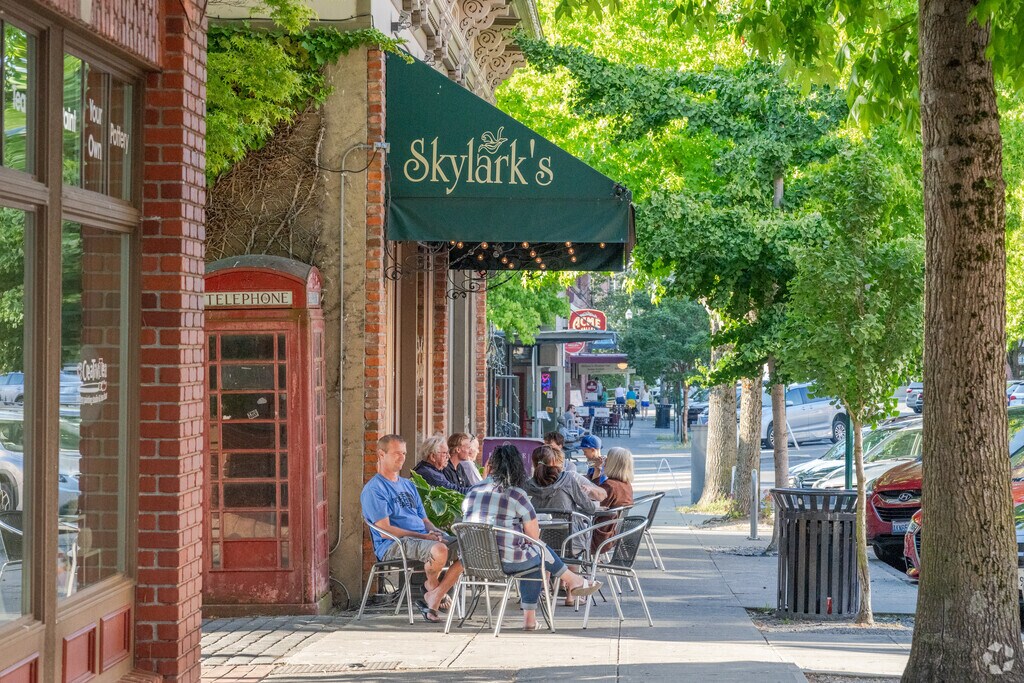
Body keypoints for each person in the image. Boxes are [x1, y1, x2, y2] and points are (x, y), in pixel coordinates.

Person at [461, 444, 601, 630]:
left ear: (489, 466)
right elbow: (534, 537)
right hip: (508, 561)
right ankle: (572, 580)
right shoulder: (516, 495)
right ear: (518, 468)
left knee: (534, 556)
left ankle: (532, 618)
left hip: (474, 561)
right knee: (537, 551)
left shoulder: (472, 492)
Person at [360, 434, 463, 623]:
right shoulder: (374, 489)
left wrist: (435, 532)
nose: (402, 458)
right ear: (381, 455)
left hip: (422, 539)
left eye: (404, 453)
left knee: (468, 549)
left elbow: (424, 520)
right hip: (393, 545)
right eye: (396, 453)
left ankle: (435, 594)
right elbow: (385, 531)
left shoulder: (408, 485)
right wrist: (425, 538)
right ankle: (432, 588)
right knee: (439, 550)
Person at [523, 445, 599, 556]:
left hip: (538, 545)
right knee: (572, 563)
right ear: (555, 461)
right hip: (570, 543)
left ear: (534, 463)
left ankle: (546, 572)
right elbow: (590, 508)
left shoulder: (527, 486)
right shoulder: (567, 479)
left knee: (546, 560)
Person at [591, 447, 636, 555]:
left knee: (562, 534)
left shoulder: (610, 486)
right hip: (614, 534)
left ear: (612, 463)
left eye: (607, 459)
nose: (605, 461)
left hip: (598, 537)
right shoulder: (625, 485)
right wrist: (597, 470)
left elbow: (592, 503)